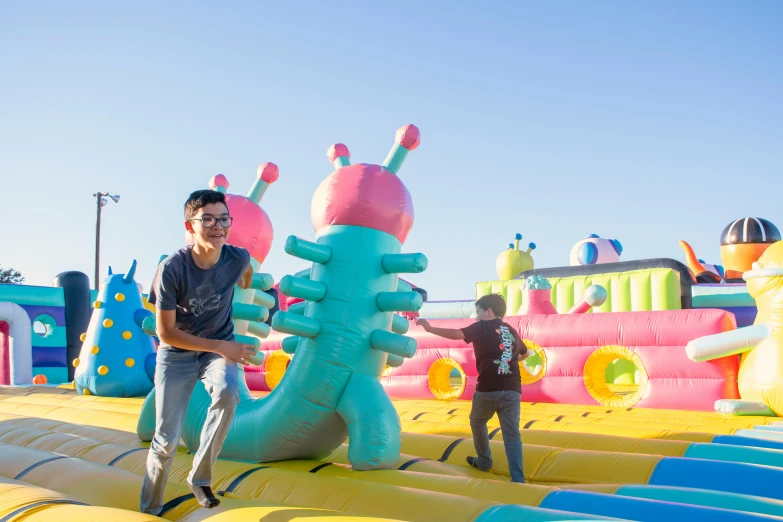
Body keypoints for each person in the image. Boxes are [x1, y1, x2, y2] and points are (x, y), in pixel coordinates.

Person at [140, 189, 258, 515]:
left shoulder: (237, 258)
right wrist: (222, 346)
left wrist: (245, 282)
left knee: (227, 392)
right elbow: (165, 332)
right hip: (177, 352)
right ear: (190, 226)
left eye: (223, 219)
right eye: (207, 219)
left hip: (215, 352)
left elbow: (245, 272)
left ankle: (200, 475)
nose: (217, 226)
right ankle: (150, 509)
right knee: (165, 440)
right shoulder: (172, 269)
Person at [416, 294, 528, 483]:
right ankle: (518, 479)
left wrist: (430, 328)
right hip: (512, 389)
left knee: (477, 422)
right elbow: (524, 354)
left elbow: (458, 334)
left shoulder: (483, 326)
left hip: (488, 388)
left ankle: (484, 460)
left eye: (478, 312)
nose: (476, 317)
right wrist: (507, 359)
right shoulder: (511, 330)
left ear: (489, 312)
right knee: (512, 435)